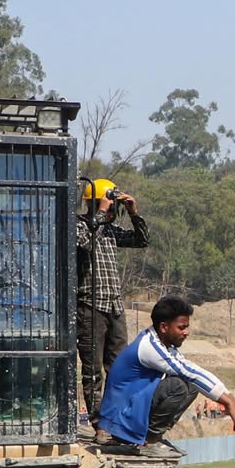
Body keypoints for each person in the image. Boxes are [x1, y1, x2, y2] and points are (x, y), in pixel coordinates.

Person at [95, 296, 235, 458]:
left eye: (187, 327)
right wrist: (230, 403)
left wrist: (230, 400)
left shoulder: (161, 343)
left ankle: (153, 437)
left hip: (128, 412)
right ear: (164, 327)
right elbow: (189, 372)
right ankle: (149, 441)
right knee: (177, 386)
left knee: (191, 385)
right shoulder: (150, 347)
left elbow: (192, 370)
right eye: (181, 327)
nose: (186, 332)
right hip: (117, 420)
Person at [76, 176, 149, 431]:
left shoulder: (110, 231)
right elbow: (82, 243)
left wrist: (133, 213)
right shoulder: (80, 225)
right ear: (95, 203)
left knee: (119, 370)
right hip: (90, 307)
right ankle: (100, 426)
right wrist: (100, 214)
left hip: (115, 307)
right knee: (92, 371)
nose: (112, 210)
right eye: (109, 204)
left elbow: (141, 240)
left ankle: (116, 420)